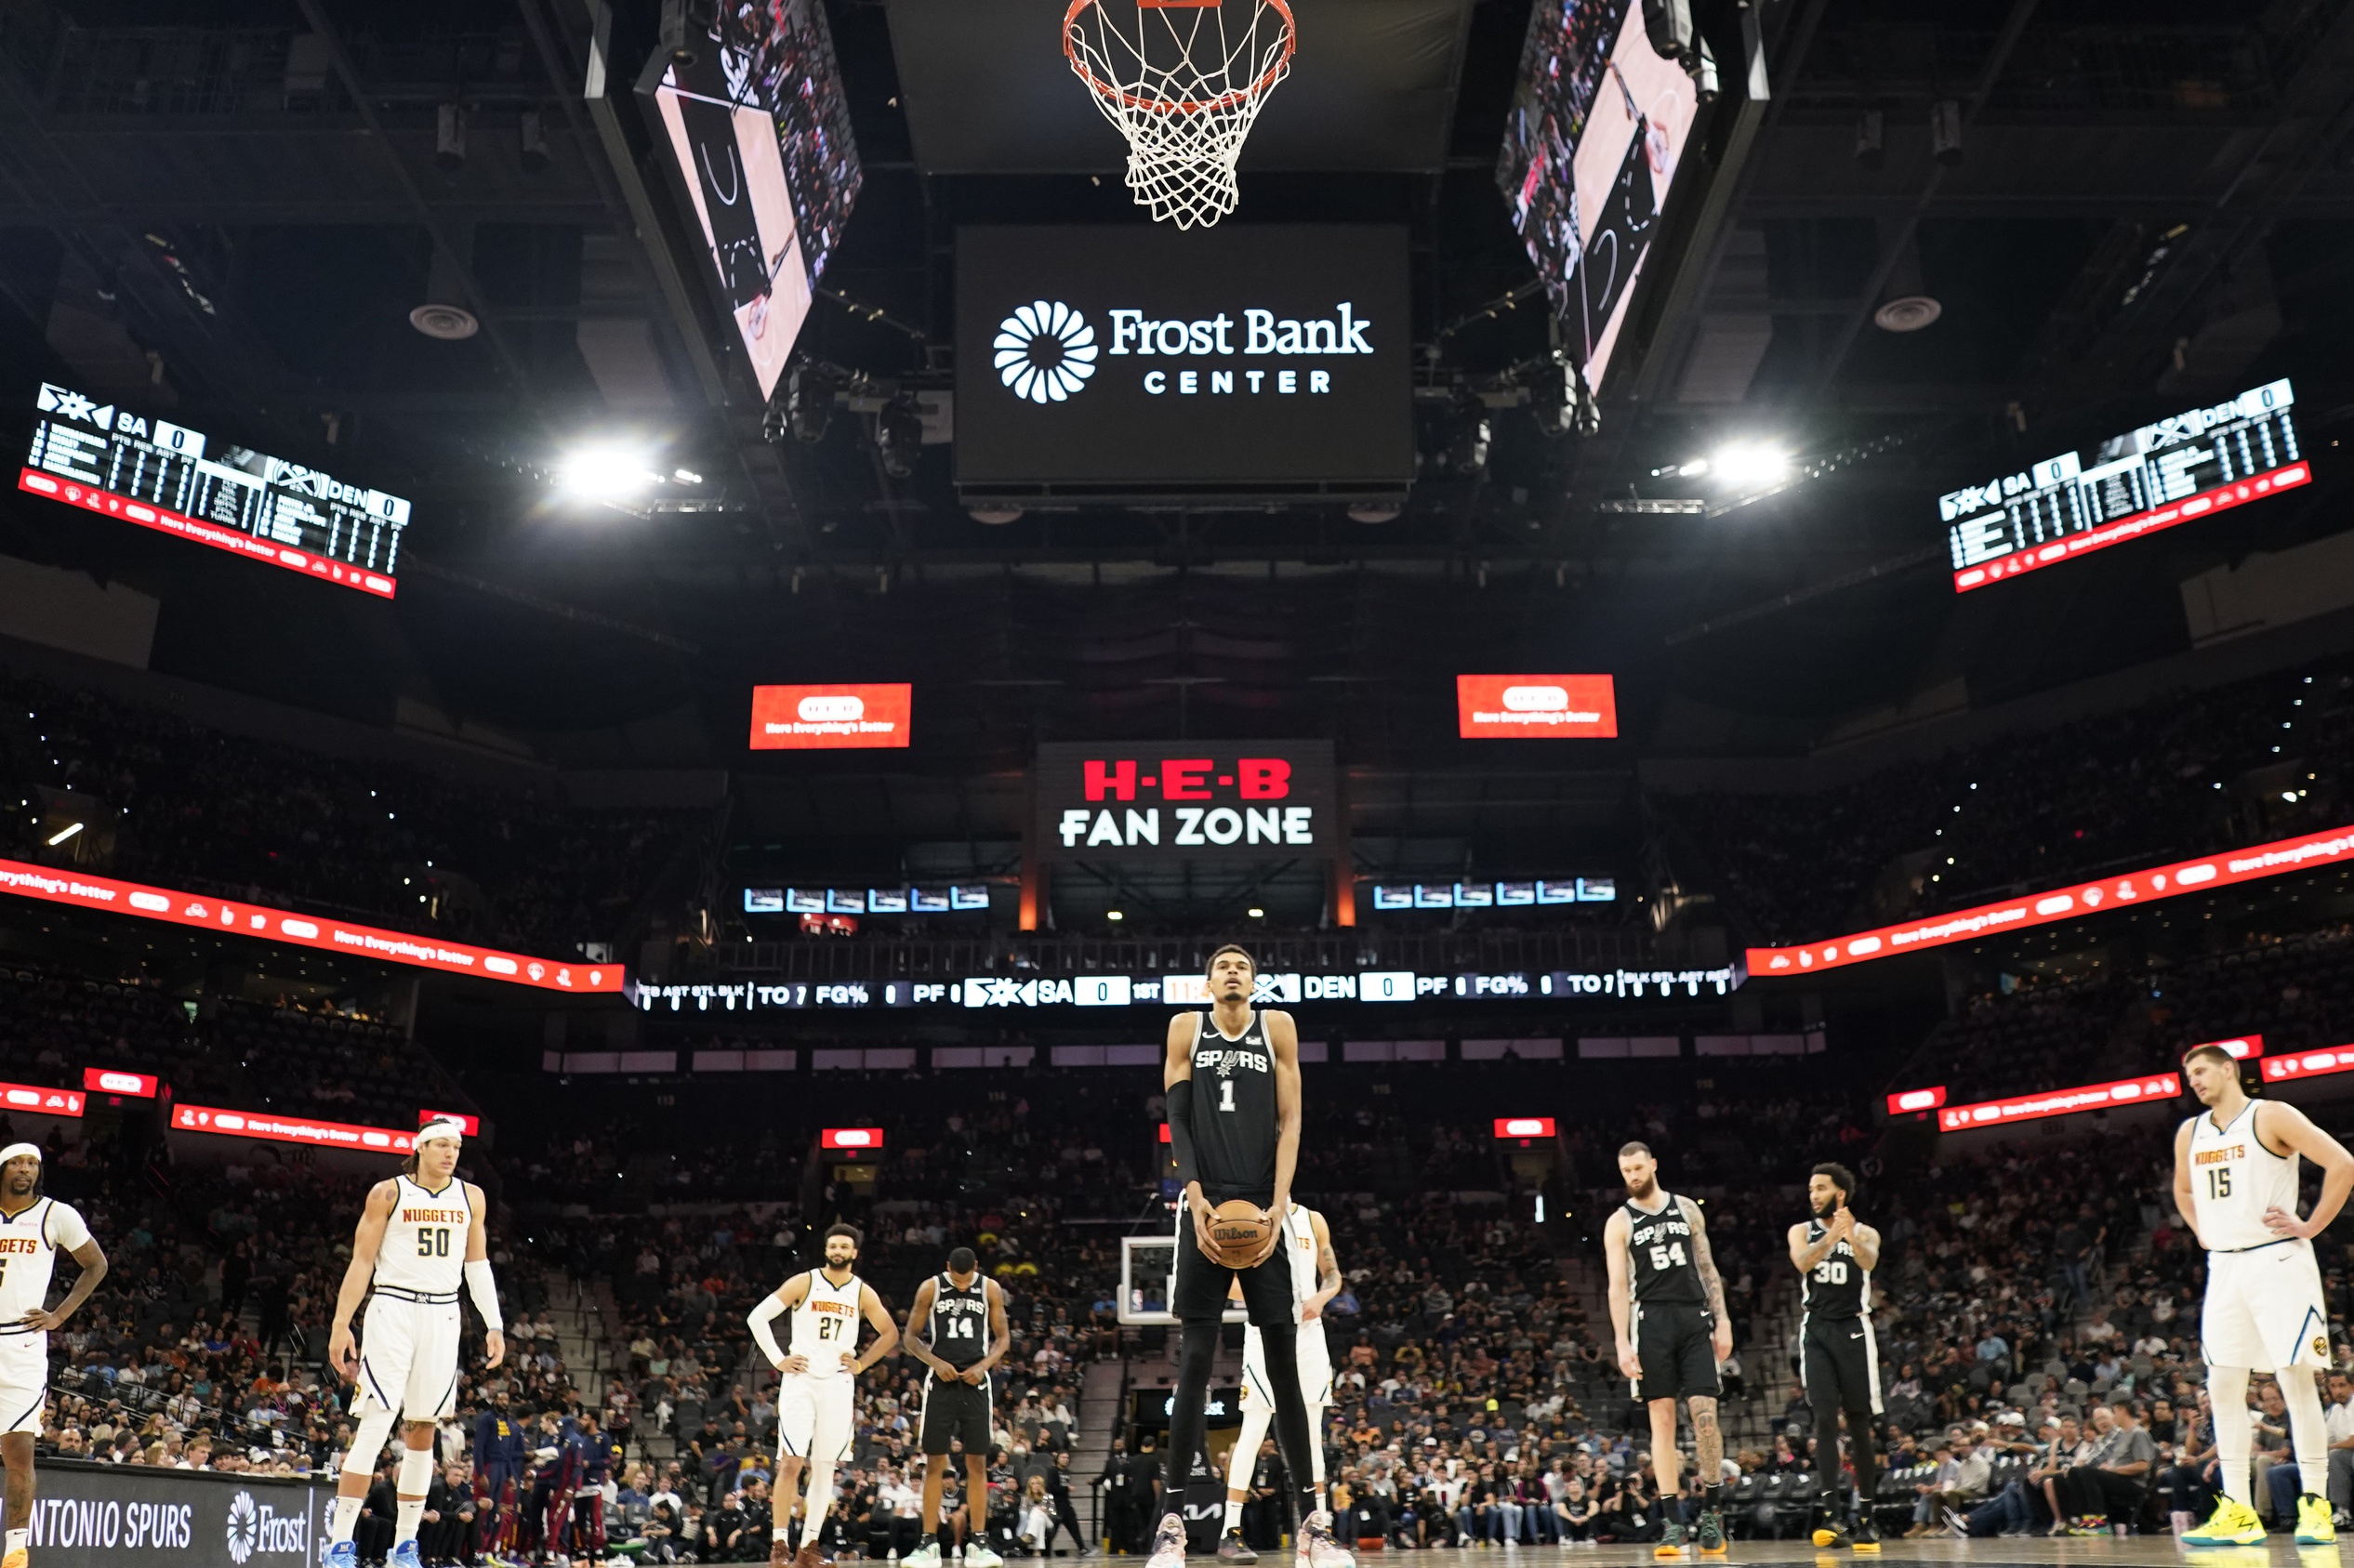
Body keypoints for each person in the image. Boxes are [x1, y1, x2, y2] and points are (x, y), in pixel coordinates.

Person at [1149, 945, 1352, 1568]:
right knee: (1194, 1365)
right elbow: (1177, 1120)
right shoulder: (1186, 1026)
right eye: (1222, 965)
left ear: (1255, 980)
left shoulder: (1279, 1026)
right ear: (1208, 981)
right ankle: (1172, 1527)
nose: (1232, 971)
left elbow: (1291, 1123)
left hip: (1266, 1210)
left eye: (1241, 965)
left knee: (1286, 1369)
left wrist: (1281, 1207)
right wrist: (1197, 1198)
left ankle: (1313, 1528)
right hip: (1205, 1211)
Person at [2173, 1043, 2354, 1547]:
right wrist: (2201, 1229)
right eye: (2190, 1077)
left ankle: (2315, 1506)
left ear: (2230, 1070)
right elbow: (2183, 1190)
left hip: (2278, 1259)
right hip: (2224, 1266)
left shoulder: (2271, 1115)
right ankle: (2238, 1512)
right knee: (2223, 1386)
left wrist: (2312, 1224)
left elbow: (2342, 1163)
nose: (2196, 1082)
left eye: (2203, 1071)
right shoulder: (2190, 1131)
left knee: (2296, 1381)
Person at [324, 1120, 504, 1568]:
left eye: (457, 1147)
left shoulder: (472, 1197)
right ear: (420, 1147)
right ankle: (340, 1544)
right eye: (442, 1144)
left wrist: (494, 1324)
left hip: (443, 1314)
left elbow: (477, 1265)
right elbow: (361, 1261)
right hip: (392, 1308)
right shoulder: (388, 1192)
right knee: (376, 1421)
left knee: (423, 1429)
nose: (451, 1153)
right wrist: (341, 1323)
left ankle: (405, 1545)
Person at [1602, 1142, 1732, 1558]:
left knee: (1704, 1415)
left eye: (1638, 1168)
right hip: (1650, 1321)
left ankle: (1712, 1515)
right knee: (1661, 1421)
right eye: (1626, 1171)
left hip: (1694, 1317)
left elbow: (1707, 1267)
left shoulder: (1688, 1209)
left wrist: (1723, 1319)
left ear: (1654, 1164)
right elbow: (1618, 1286)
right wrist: (1621, 1341)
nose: (1633, 1176)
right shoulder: (1619, 1222)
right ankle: (1673, 1523)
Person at [747, 1223, 903, 1568]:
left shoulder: (862, 1292)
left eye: (844, 1246)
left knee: (824, 1468)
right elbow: (757, 1317)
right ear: (826, 1250)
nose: (837, 1250)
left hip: (838, 1384)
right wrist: (778, 1359)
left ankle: (810, 1547)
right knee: (790, 1462)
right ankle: (779, 1545)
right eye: (833, 1245)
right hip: (801, 1382)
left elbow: (890, 1333)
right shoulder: (805, 1281)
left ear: (854, 1253)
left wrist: (862, 1363)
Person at [0, 1143, 106, 1568]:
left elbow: (95, 1264)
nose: (25, 1169)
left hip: (21, 1341)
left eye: (32, 1164)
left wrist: (60, 1315)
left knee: (18, 1450)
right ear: (2, 1168)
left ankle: (15, 1551)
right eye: (17, 1162)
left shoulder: (55, 1214)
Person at [1219, 1202, 1342, 1562]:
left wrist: (1321, 1298)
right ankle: (1231, 1530)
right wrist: (1269, 1294)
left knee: (1311, 1432)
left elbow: (1333, 1275)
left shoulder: (1313, 1219)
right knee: (1253, 1430)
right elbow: (1228, 1283)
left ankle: (1318, 1526)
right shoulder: (1246, 1219)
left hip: (1309, 1333)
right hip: (1265, 1327)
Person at [1786, 1162, 1883, 1552]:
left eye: (1820, 1188)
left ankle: (1868, 1518)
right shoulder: (1800, 1231)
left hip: (1855, 1331)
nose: (1813, 1195)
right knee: (1824, 1418)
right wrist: (1830, 1239)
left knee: (1860, 1424)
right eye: (1811, 1189)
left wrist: (1848, 1235)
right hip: (1818, 1330)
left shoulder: (1866, 1232)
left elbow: (1868, 1261)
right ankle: (1831, 1517)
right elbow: (1803, 1262)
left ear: (1839, 1193)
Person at [902, 1247, 1011, 1568]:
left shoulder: (989, 1287)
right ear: (948, 1268)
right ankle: (928, 1544)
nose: (962, 1286)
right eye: (957, 1280)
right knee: (935, 1462)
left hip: (977, 1382)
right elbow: (910, 1337)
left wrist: (985, 1365)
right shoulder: (930, 1287)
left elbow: (1003, 1338)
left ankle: (978, 1543)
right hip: (941, 1382)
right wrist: (935, 1362)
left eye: (967, 1280)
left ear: (976, 1268)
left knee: (977, 1462)